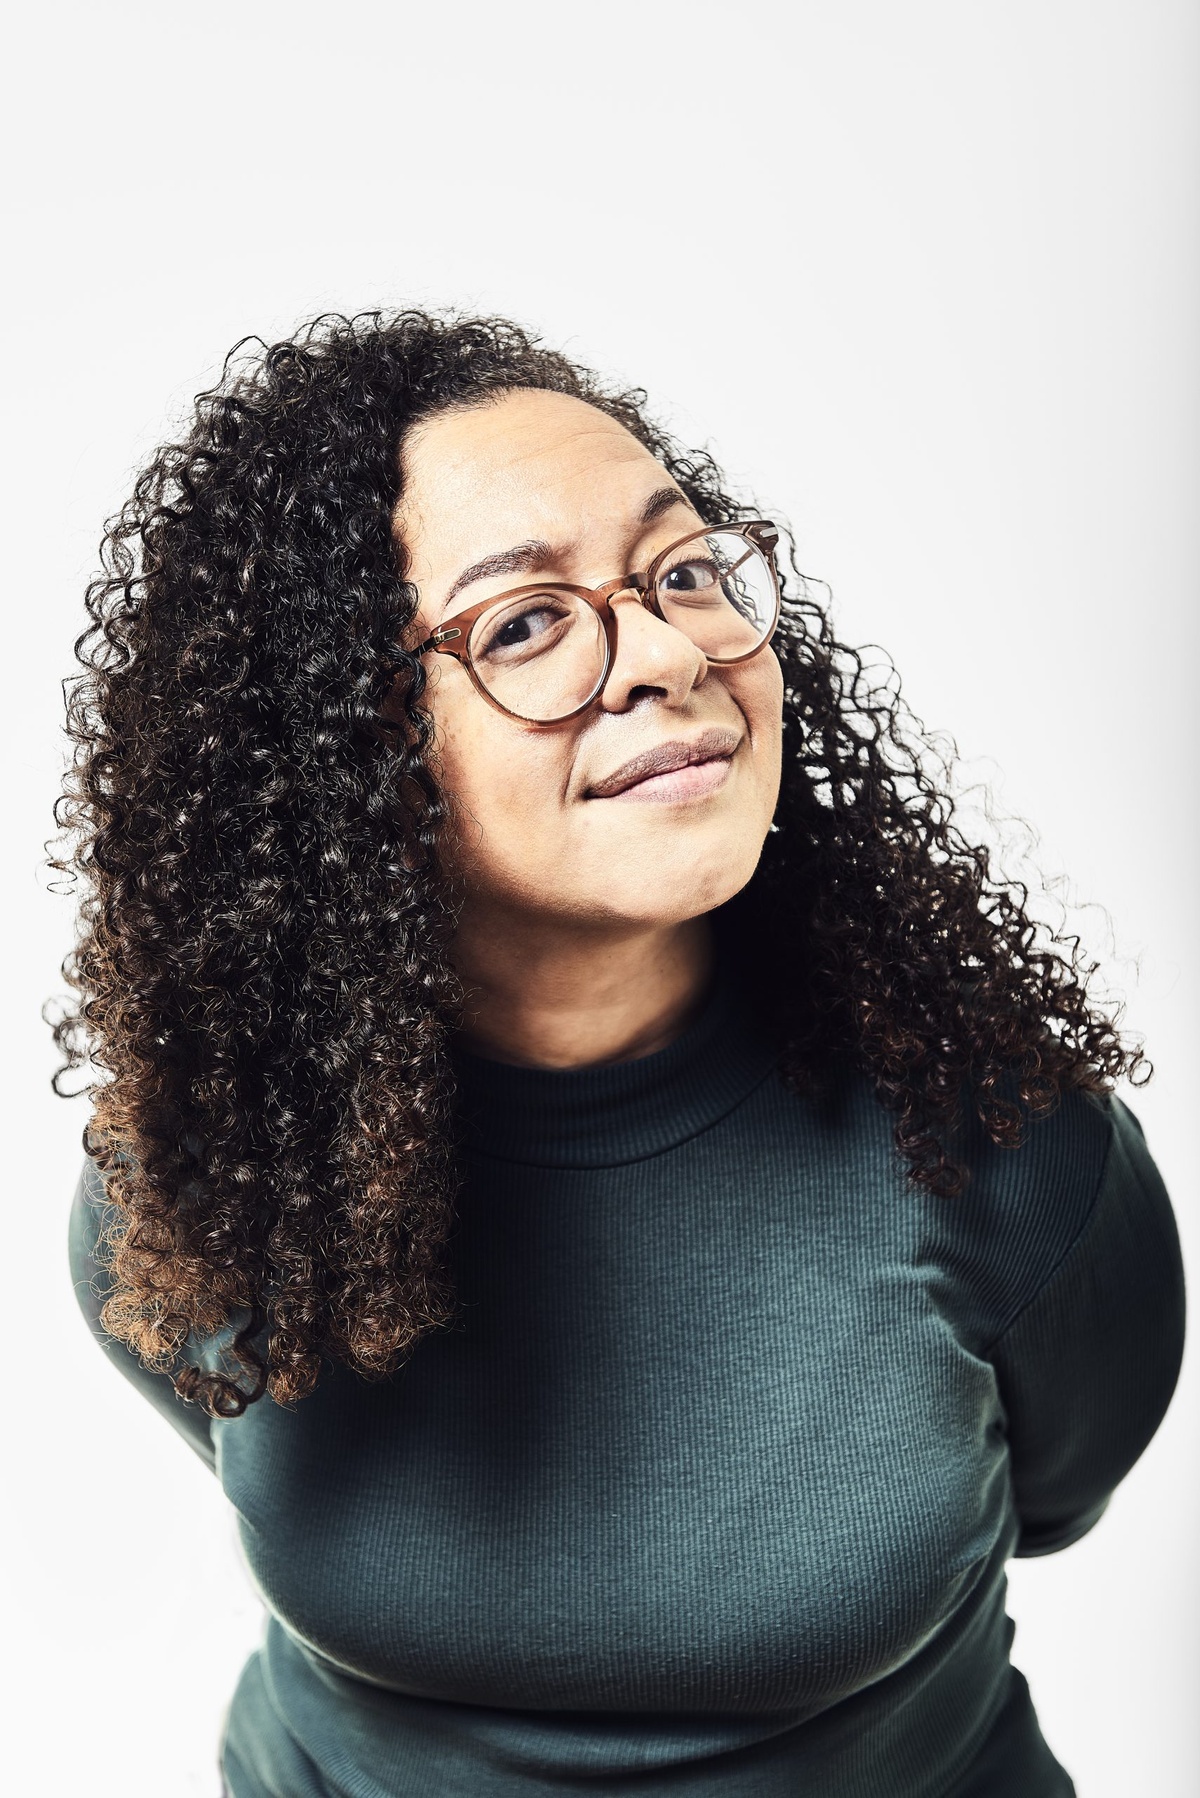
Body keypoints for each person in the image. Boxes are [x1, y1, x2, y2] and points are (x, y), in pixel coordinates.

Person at [57, 309, 1185, 1798]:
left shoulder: (999, 1132)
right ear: (336, 751)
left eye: (681, 571)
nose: (667, 653)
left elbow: (1058, 1498)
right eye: (525, 622)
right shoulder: (206, 1170)